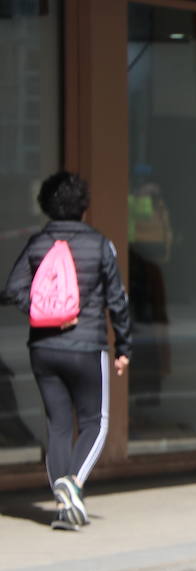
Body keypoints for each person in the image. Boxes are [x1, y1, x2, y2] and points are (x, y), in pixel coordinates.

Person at [3, 171, 132, 531]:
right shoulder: (100, 244)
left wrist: (41, 311)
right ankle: (73, 483)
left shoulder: (38, 243)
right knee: (95, 423)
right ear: (84, 207)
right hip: (87, 346)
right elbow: (117, 300)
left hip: (43, 348)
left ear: (46, 205)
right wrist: (124, 346)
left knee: (57, 425)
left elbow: (12, 289)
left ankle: (65, 510)